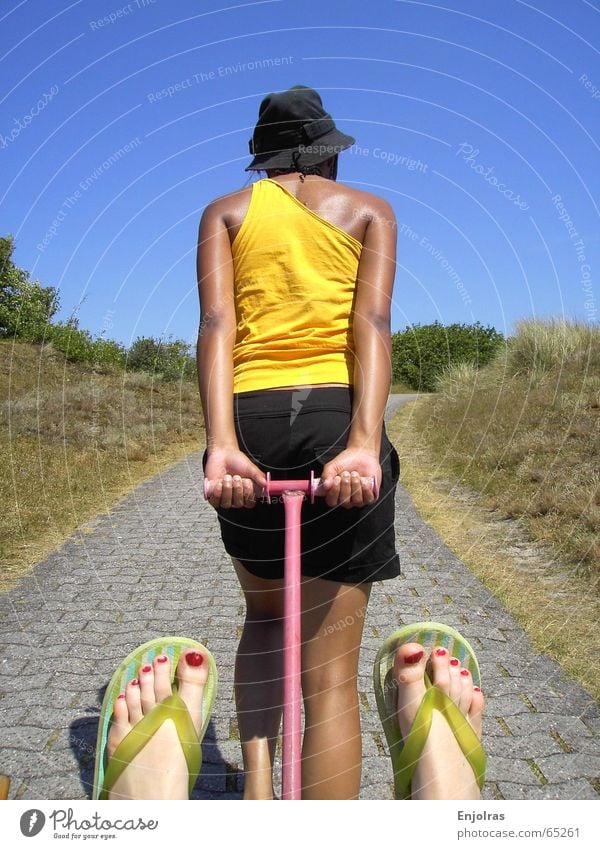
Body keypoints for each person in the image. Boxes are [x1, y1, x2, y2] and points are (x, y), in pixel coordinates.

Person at [197, 84, 401, 800]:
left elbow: (218, 329)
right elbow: (370, 326)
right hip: (335, 419)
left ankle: (256, 794)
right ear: (327, 154)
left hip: (249, 419)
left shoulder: (223, 213)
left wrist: (221, 442)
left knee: (262, 615)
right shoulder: (371, 211)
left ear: (264, 158)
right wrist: (364, 445)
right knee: (329, 670)